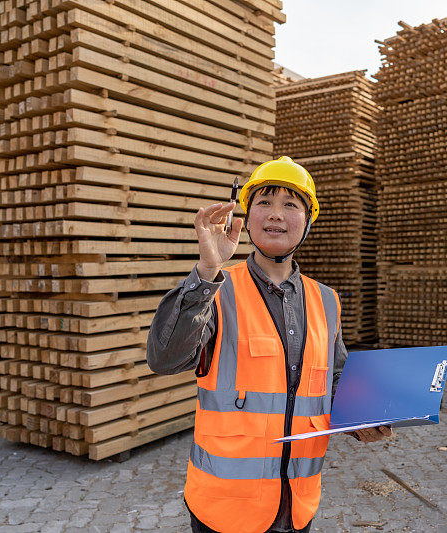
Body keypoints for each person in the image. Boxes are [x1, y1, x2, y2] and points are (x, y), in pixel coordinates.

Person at [146, 156, 392, 533]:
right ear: (246, 216)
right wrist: (207, 270)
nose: (276, 214)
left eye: (290, 204)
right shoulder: (217, 290)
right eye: (264, 202)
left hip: (296, 508)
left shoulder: (326, 300)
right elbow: (165, 358)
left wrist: (363, 419)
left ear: (307, 220)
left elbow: (335, 379)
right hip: (224, 511)